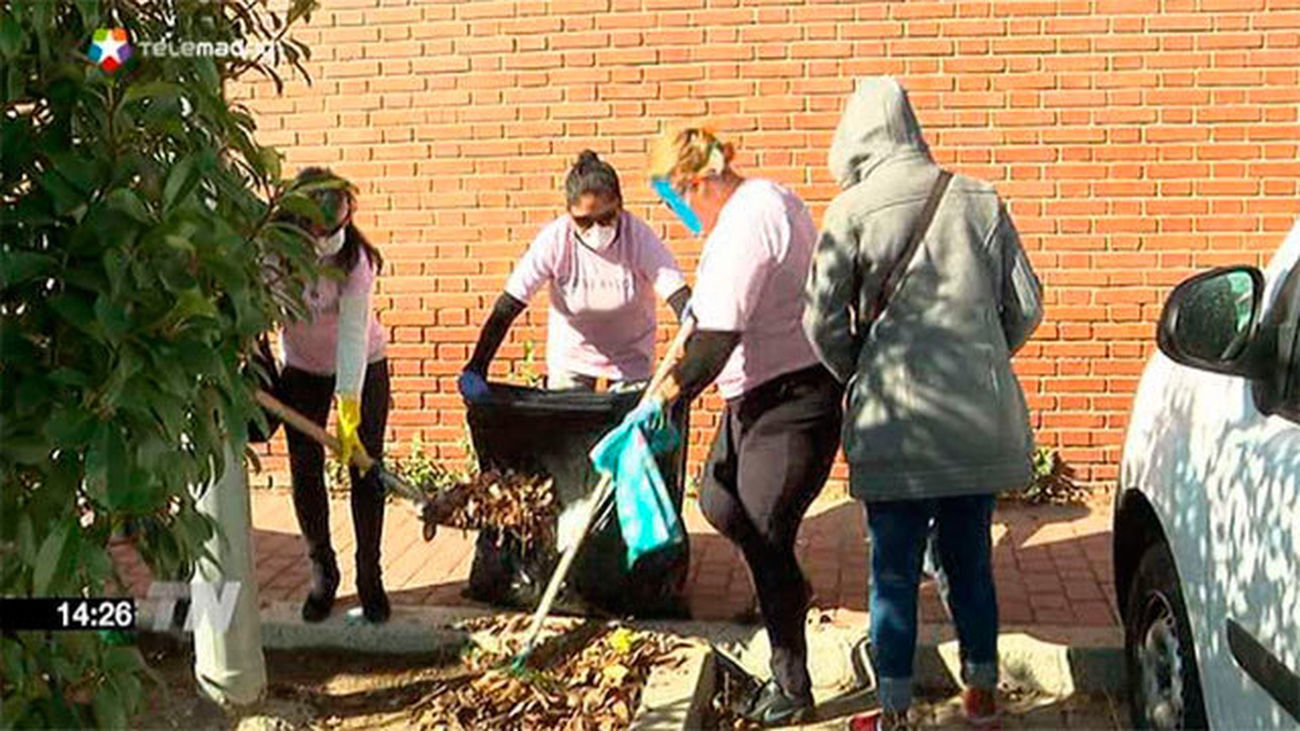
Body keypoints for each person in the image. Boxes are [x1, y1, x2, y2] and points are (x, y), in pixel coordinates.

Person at [803, 77, 1043, 731]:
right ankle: (982, 697)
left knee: (893, 571)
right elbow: (1026, 305)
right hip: (974, 420)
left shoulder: (850, 212)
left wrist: (863, 368)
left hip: (895, 424)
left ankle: (894, 712)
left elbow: (820, 321)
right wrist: (981, 358)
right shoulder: (981, 199)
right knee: (971, 561)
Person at [637, 126, 843, 726]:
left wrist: (665, 397)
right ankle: (790, 590)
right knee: (718, 499)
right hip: (753, 397)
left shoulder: (749, 221)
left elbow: (718, 340)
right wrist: (675, 364)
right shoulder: (757, 205)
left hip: (794, 398)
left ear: (696, 182)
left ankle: (792, 686)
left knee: (764, 528)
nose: (678, 215)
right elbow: (706, 319)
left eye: (675, 200)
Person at [458, 150, 691, 396]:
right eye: (584, 221)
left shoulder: (639, 237)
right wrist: (477, 366)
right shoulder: (556, 240)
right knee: (568, 419)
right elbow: (509, 304)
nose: (596, 230)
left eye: (606, 218)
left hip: (631, 358)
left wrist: (693, 362)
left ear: (620, 207)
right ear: (569, 213)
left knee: (630, 418)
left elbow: (679, 297)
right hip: (572, 358)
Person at [277, 168, 392, 624]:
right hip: (302, 369)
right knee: (305, 470)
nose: (329, 239)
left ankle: (370, 575)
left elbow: (352, 335)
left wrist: (349, 405)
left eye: (336, 228)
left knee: (365, 467)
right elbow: (257, 313)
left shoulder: (357, 260)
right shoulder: (273, 255)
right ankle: (322, 572)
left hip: (364, 365)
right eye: (319, 230)